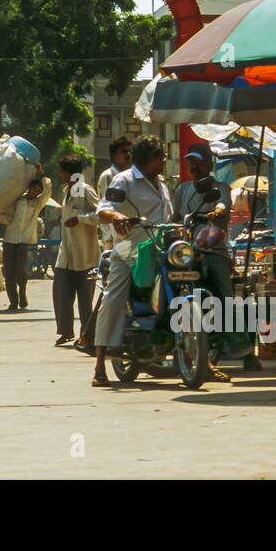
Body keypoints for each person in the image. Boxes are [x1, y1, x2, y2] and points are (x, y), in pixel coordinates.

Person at [92, 137, 173, 387]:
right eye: (161, 156)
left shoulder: (162, 184)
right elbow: (104, 209)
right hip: (130, 247)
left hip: (162, 247)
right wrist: (118, 216)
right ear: (148, 160)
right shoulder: (123, 180)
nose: (165, 161)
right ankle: (99, 365)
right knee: (113, 297)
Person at [173, 142, 260, 377]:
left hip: (214, 253)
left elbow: (223, 204)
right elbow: (174, 219)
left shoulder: (221, 187)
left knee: (226, 300)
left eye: (198, 162)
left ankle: (245, 352)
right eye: (190, 161)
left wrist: (219, 211)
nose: (193, 166)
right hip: (187, 254)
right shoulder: (182, 190)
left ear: (208, 164)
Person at [53, 154, 99, 346]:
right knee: (61, 292)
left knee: (85, 301)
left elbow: (100, 214)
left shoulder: (85, 191)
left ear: (70, 173)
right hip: (66, 254)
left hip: (85, 255)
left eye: (62, 171)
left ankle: (87, 336)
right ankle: (65, 331)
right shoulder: (66, 191)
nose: (60, 174)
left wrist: (80, 219)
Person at [1, 172, 52, 310]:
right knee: (8, 272)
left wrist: (42, 174)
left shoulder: (37, 204)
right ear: (29, 188)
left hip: (24, 239)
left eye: (38, 190)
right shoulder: (17, 201)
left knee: (20, 269)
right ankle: (13, 301)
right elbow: (6, 217)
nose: (36, 192)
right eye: (34, 188)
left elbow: (48, 192)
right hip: (10, 238)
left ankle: (22, 293)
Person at [96, 136, 134, 250]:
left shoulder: (133, 176)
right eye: (123, 151)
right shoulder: (108, 176)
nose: (128, 154)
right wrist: (109, 240)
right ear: (114, 156)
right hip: (113, 239)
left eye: (129, 151)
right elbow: (106, 209)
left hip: (132, 235)